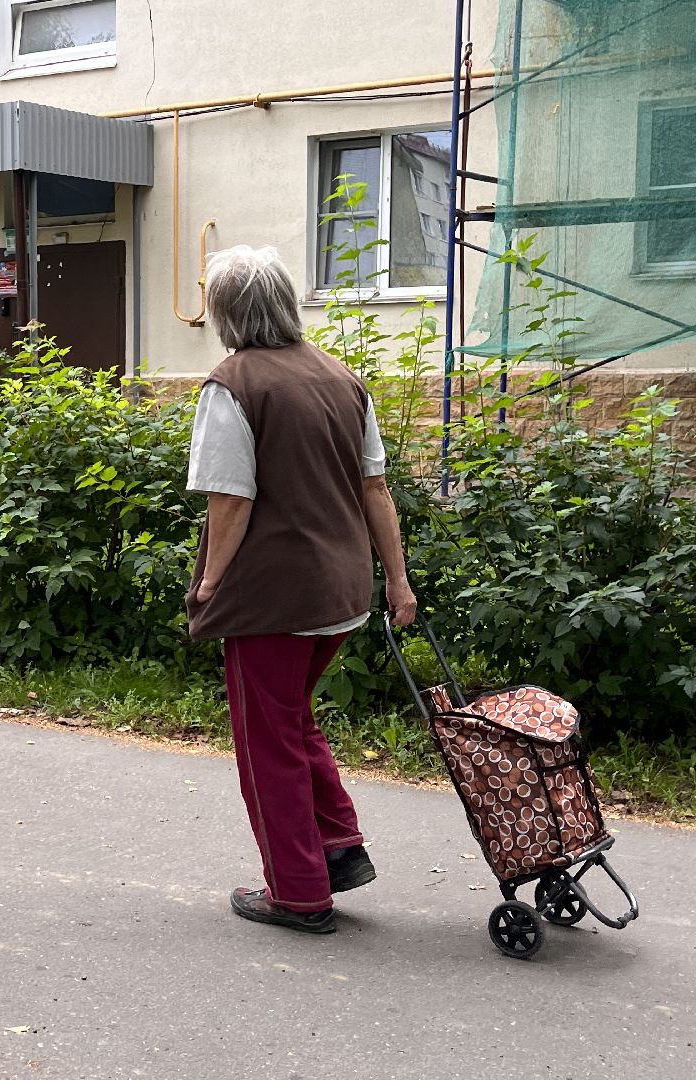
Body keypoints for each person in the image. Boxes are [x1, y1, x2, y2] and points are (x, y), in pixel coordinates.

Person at [185, 245, 418, 935]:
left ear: (226, 311)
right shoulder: (342, 377)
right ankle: (338, 847)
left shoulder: (234, 383)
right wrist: (398, 583)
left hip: (275, 599)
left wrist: (208, 585)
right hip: (342, 592)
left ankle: (296, 892)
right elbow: (375, 487)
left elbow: (230, 502)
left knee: (267, 742)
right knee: (291, 720)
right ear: (286, 302)